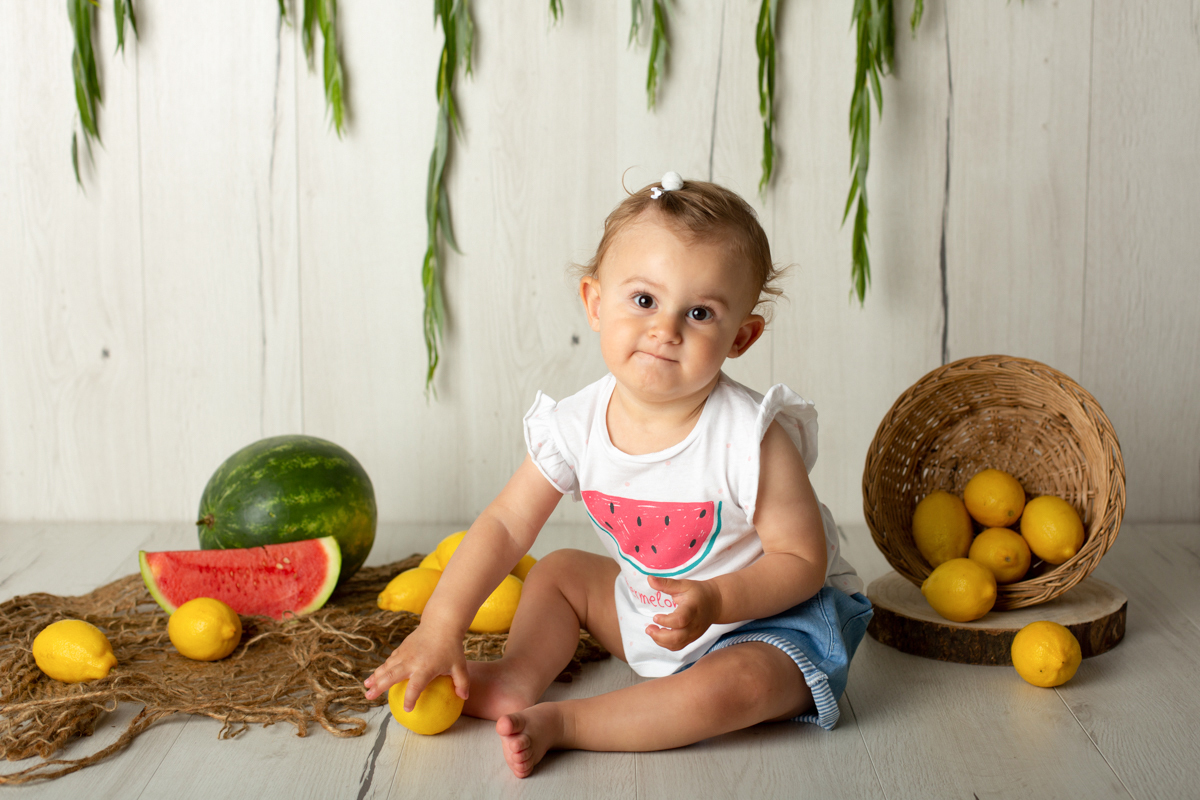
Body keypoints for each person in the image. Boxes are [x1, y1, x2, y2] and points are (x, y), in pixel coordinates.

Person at [364, 173, 871, 778]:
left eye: (700, 312)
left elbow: (800, 561)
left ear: (740, 337)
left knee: (738, 687)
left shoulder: (752, 437)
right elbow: (504, 524)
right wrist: (440, 625)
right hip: (647, 606)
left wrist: (717, 599)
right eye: (644, 300)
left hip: (765, 621)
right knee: (557, 573)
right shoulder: (574, 424)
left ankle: (572, 722)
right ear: (595, 304)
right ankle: (520, 677)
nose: (666, 329)